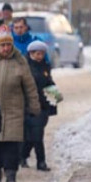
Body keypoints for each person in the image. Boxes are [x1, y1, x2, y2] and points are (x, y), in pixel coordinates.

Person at [0, 25, 41, 182]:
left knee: (11, 145)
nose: (6, 48)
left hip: (14, 108)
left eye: (8, 44)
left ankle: (11, 174)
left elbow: (29, 86)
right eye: (2, 45)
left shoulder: (20, 61)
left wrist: (34, 106)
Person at [21, 41, 57, 172]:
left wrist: (54, 99)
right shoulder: (25, 67)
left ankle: (23, 156)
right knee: (35, 135)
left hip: (43, 106)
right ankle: (40, 162)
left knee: (34, 135)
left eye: (42, 53)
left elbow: (49, 84)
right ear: (30, 53)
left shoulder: (45, 66)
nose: (39, 56)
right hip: (29, 105)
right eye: (37, 53)